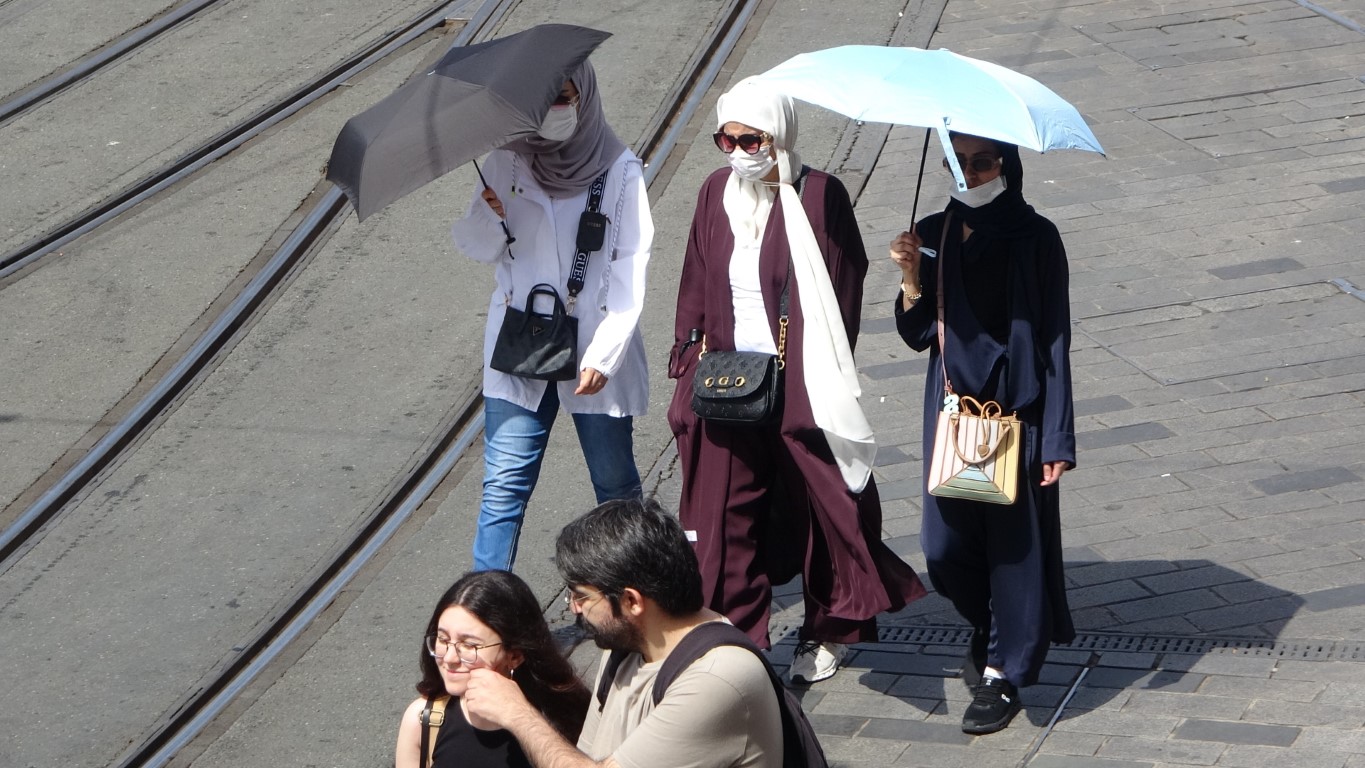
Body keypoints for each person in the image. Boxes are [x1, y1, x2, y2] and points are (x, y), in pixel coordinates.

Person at [665, 77, 925, 684]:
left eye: (750, 140)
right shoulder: (714, 194)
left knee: (824, 504)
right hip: (728, 383)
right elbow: (697, 282)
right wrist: (687, 370)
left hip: (798, 383)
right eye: (724, 140)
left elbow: (842, 285)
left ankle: (824, 628)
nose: (736, 152)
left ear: (777, 137)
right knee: (722, 515)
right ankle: (734, 645)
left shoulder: (818, 195)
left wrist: (818, 371)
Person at [889, 132, 1077, 735]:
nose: (970, 173)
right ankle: (987, 620)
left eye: (983, 162)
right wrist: (910, 276)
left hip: (1013, 410)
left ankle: (1005, 670)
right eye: (959, 162)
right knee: (943, 547)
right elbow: (918, 333)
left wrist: (1056, 439)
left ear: (1007, 165)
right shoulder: (935, 230)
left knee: (1013, 551)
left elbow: (1053, 340)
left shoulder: (1036, 235)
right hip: (950, 410)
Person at [451, 61, 652, 571]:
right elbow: (479, 248)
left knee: (615, 486)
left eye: (563, 97)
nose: (553, 111)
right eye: (543, 100)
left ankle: (634, 598)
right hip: (522, 342)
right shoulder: (507, 161)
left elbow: (631, 267)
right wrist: (487, 213)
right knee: (503, 486)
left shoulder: (620, 169)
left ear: (583, 97)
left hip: (593, 344)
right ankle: (486, 617)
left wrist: (607, 354)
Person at [463, 498, 784, 768]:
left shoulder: (716, 678)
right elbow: (587, 755)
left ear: (631, 601)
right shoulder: (627, 647)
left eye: (582, 596)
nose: (574, 608)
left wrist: (518, 714)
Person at [394, 570, 590, 768]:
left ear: (514, 656)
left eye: (470, 645)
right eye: (443, 639)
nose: (450, 658)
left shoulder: (562, 719)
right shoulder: (423, 720)